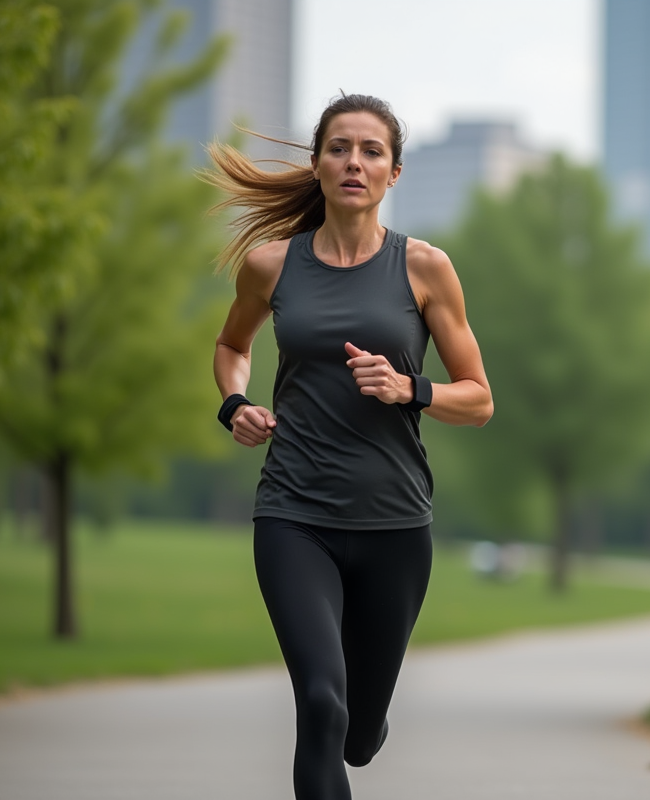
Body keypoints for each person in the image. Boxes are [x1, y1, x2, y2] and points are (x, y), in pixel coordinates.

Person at [204, 93, 493, 800]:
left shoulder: (424, 268)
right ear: (318, 163)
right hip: (294, 516)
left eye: (370, 151)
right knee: (322, 708)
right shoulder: (271, 267)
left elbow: (479, 398)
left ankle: (367, 731)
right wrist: (235, 404)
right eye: (340, 147)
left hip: (394, 523)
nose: (354, 162)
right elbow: (230, 346)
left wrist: (410, 390)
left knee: (358, 736)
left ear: (394, 173)